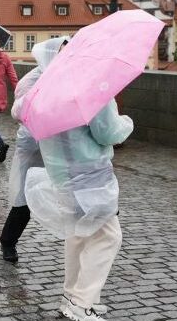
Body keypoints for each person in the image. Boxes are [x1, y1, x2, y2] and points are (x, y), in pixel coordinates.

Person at [24, 97, 132, 320]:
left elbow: (22, 112)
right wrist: (126, 122)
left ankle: (71, 297)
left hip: (62, 173)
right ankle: (81, 303)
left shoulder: (50, 84)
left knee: (77, 235)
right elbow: (108, 132)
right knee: (108, 236)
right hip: (89, 175)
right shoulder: (92, 87)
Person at [0, 36, 68, 263]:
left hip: (60, 143)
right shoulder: (34, 78)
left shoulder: (68, 78)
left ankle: (81, 241)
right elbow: (21, 110)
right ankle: (8, 242)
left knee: (74, 191)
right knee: (25, 195)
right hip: (33, 144)